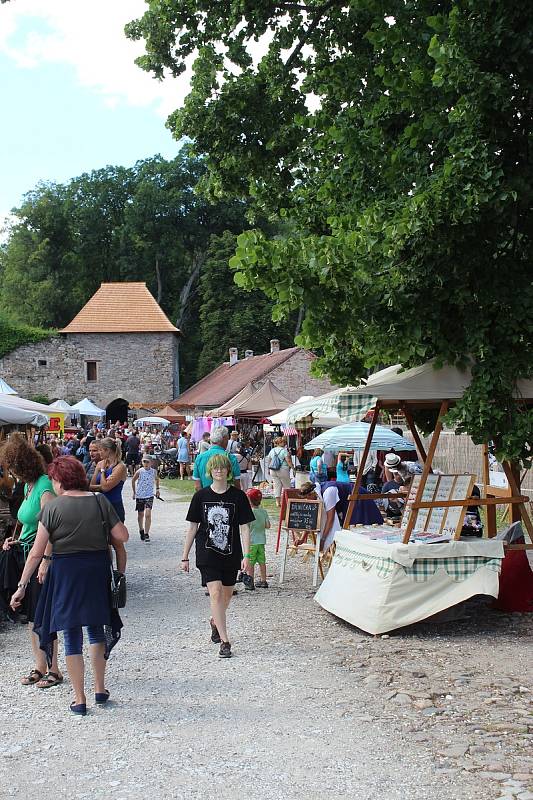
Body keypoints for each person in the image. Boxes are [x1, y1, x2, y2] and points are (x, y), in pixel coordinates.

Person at [10, 456, 128, 715]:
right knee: (96, 629)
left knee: (71, 633)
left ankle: (79, 697)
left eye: (53, 478)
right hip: (95, 570)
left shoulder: (52, 508)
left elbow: (36, 553)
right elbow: (122, 536)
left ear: (60, 480)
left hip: (66, 572)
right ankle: (100, 688)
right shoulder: (99, 501)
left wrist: (21, 585)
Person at [0, 434, 62, 689]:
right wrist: (15, 539)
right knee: (31, 616)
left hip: (40, 558)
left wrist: (46, 560)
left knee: (42, 614)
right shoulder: (29, 486)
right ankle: (40, 665)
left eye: (12, 468)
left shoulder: (45, 487)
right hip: (26, 553)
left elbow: (52, 527)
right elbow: (29, 522)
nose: (10, 473)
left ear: (21, 465)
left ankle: (54, 669)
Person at [182, 454, 254, 658]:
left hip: (232, 553)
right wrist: (184, 556)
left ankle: (215, 620)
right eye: (215, 468)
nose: (219, 471)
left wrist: (247, 555)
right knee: (215, 592)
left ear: (228, 471)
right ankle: (225, 641)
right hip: (207, 551)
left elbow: (245, 528)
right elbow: (193, 527)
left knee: (227, 594)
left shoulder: (238, 497)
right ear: (210, 471)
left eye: (222, 468)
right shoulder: (201, 496)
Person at [299, 478, 383, 550]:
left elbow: (330, 519)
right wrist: (302, 538)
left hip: (357, 498)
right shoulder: (317, 495)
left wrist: (323, 540)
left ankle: (370, 548)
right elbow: (311, 517)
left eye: (307, 497)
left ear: (312, 493)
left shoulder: (328, 492)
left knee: (359, 527)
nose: (307, 500)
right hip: (347, 503)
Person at [90, 437, 127, 573]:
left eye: (100, 450)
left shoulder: (120, 467)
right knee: (104, 543)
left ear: (107, 450)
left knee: (117, 542)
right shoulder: (101, 463)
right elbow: (91, 486)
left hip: (114, 507)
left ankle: (121, 574)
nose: (99, 453)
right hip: (100, 506)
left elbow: (105, 487)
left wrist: (102, 472)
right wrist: (100, 482)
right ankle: (109, 571)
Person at [193, 426, 241, 491]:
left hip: (206, 498)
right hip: (226, 498)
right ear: (224, 439)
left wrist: (203, 497)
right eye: (227, 439)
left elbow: (197, 486)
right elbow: (237, 484)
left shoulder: (199, 458)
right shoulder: (231, 458)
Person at [246, 488, 270, 589]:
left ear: (249, 501)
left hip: (252, 541)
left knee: (250, 562)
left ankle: (250, 582)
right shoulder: (263, 512)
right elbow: (268, 525)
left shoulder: (249, 512)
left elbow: (245, 527)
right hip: (261, 541)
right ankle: (263, 580)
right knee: (262, 561)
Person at [132, 456, 160, 542]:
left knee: (148, 514)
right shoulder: (139, 471)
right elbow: (133, 480)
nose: (146, 464)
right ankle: (141, 529)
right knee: (140, 514)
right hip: (140, 495)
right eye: (144, 462)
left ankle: (147, 533)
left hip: (149, 495)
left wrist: (157, 489)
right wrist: (134, 492)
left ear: (151, 463)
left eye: (147, 462)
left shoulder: (153, 472)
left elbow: (157, 479)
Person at [266, 436, 293, 508]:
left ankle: (278, 502)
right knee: (287, 486)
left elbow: (268, 460)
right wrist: (293, 468)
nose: (284, 443)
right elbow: (288, 460)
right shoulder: (284, 451)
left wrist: (268, 469)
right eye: (283, 442)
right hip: (283, 469)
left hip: (273, 470)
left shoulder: (272, 450)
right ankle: (288, 501)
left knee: (276, 486)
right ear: (280, 443)